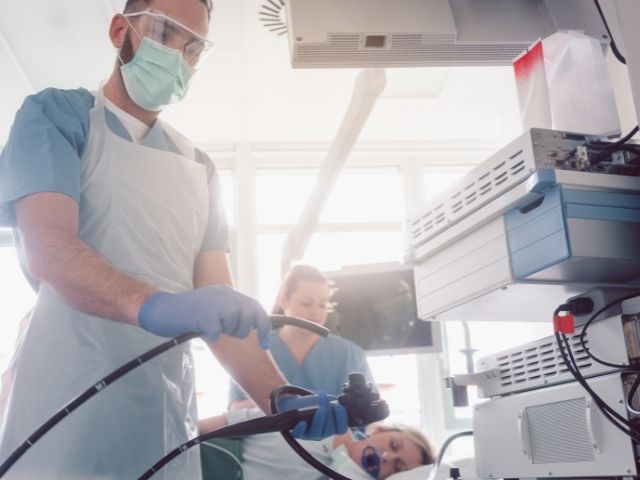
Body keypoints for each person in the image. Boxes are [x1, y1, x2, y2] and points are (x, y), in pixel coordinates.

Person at [0, 2, 345, 479]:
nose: (178, 54)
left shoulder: (199, 169)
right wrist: (155, 306)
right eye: (164, 31)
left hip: (163, 416)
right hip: (62, 404)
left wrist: (277, 395)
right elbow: (49, 251)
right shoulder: (58, 116)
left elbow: (221, 316)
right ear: (120, 30)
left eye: (194, 46)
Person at [229, 264, 377, 410]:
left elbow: (370, 413)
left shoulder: (349, 354)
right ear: (283, 300)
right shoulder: (254, 347)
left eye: (322, 305)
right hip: (266, 434)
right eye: (307, 303)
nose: (316, 313)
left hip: (340, 435)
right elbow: (234, 409)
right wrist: (268, 407)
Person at [199, 408, 437, 480]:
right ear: (381, 430)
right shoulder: (315, 420)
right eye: (394, 446)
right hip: (202, 456)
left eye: (396, 467)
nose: (386, 457)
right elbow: (236, 419)